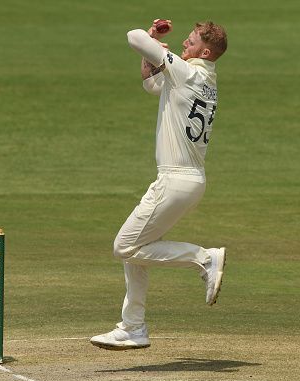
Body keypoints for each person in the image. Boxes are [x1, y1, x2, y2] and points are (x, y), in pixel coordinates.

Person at [90, 19, 228, 350]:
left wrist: (151, 39)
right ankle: (133, 327)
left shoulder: (188, 73)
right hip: (189, 180)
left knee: (123, 246)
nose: (184, 42)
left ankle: (204, 258)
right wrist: (153, 52)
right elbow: (151, 83)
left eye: (191, 40)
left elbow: (132, 36)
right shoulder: (201, 78)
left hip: (175, 178)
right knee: (137, 251)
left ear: (204, 51)